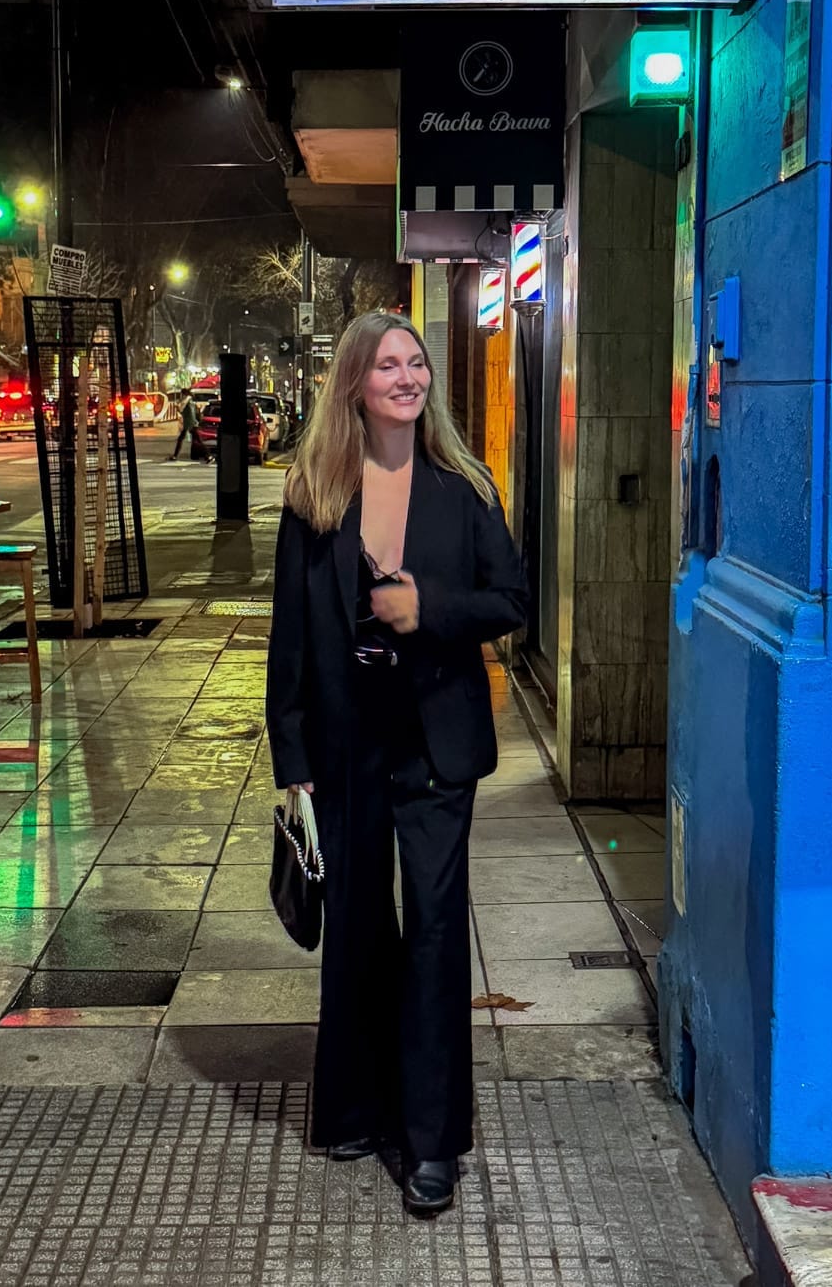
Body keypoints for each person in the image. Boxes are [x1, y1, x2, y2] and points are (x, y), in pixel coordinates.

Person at [266, 311, 527, 1217]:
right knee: (361, 931)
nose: (408, 377)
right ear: (355, 384)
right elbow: (290, 638)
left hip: (435, 744)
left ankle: (432, 1141)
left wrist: (431, 608)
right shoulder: (314, 493)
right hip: (346, 747)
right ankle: (354, 1108)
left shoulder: (463, 486)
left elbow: (512, 597)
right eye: (389, 365)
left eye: (417, 363)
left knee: (435, 935)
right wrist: (290, 755)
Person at [169, 391, 199, 460]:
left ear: (184, 394)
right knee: (181, 439)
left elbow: (187, 412)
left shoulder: (187, 401)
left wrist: (178, 408)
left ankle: (208, 456)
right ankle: (175, 455)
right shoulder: (188, 401)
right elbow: (184, 412)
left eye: (181, 394)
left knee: (198, 440)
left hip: (190, 424)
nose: (181, 396)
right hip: (188, 423)